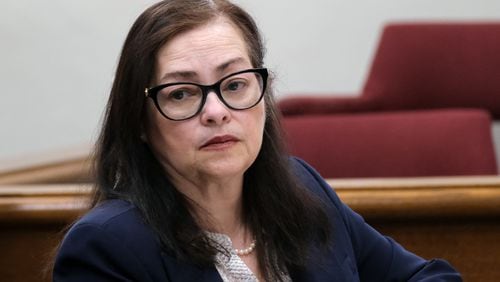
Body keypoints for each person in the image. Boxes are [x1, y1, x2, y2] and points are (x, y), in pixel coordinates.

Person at [53, 0, 462, 281]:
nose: (216, 111)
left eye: (234, 84)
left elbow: (429, 276)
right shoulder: (105, 247)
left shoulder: (302, 188)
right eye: (181, 93)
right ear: (139, 121)